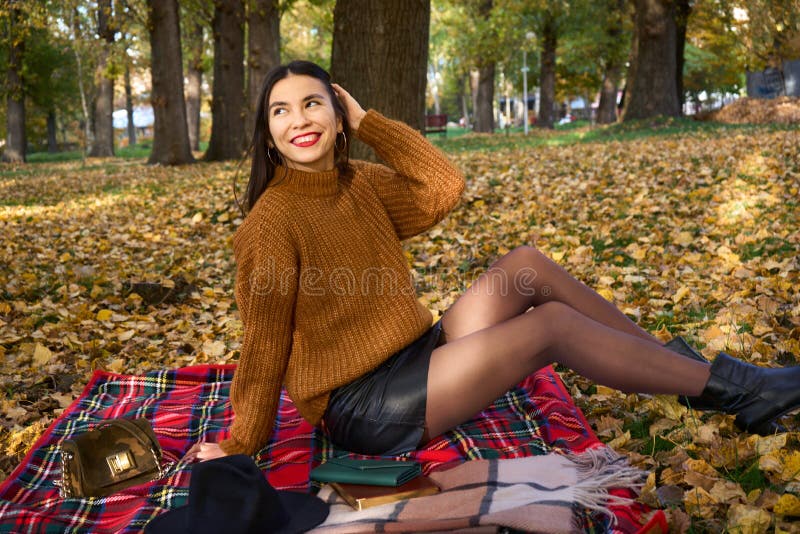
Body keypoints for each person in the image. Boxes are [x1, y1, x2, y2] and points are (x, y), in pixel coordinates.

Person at [185, 60, 800, 462]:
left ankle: (677, 373)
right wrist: (242, 444)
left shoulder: (359, 182)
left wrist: (374, 123)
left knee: (526, 265)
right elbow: (264, 344)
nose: (300, 120)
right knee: (550, 329)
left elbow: (443, 187)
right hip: (362, 405)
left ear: (337, 116)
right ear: (268, 135)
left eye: (313, 104)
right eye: (281, 110)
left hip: (413, 353)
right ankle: (738, 392)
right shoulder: (270, 224)